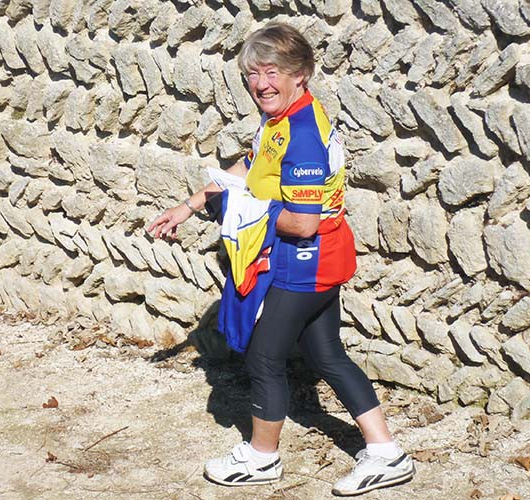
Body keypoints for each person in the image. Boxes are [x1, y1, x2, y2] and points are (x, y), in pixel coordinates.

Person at [147, 22, 414, 496]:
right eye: (253, 73)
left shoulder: (304, 133)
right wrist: (189, 205)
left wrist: (238, 210)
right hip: (315, 259)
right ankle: (386, 453)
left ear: (301, 75)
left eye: (272, 72)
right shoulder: (280, 121)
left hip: (306, 259)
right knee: (326, 354)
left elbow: (302, 221)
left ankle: (261, 458)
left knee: (264, 358)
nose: (261, 83)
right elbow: (249, 167)